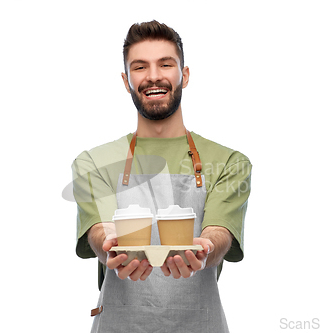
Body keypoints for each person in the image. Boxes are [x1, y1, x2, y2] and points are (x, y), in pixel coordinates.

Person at [72, 20, 252, 332]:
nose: (153, 75)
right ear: (127, 81)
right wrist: (110, 245)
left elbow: (220, 232)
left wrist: (205, 248)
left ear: (183, 75)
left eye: (165, 64)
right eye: (140, 67)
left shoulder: (229, 162)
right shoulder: (94, 162)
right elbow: (98, 233)